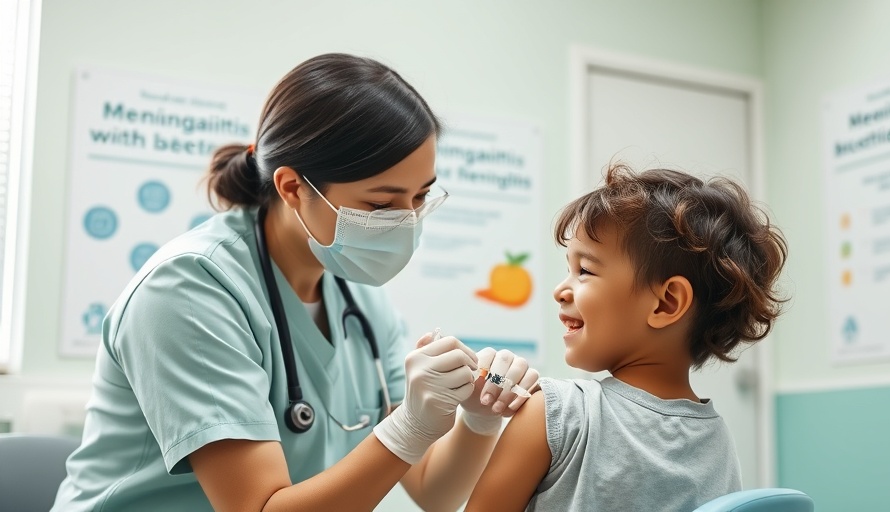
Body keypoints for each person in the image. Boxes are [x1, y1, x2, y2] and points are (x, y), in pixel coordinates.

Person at [52, 53, 538, 512]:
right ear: (292, 187)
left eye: (420, 197)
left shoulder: (361, 300)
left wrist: (478, 418)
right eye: (380, 204)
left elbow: (434, 491)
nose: (406, 222)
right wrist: (409, 427)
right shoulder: (188, 290)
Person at [465, 165, 788, 511]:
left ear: (666, 303)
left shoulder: (553, 413)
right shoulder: (717, 440)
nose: (560, 290)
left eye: (584, 271)